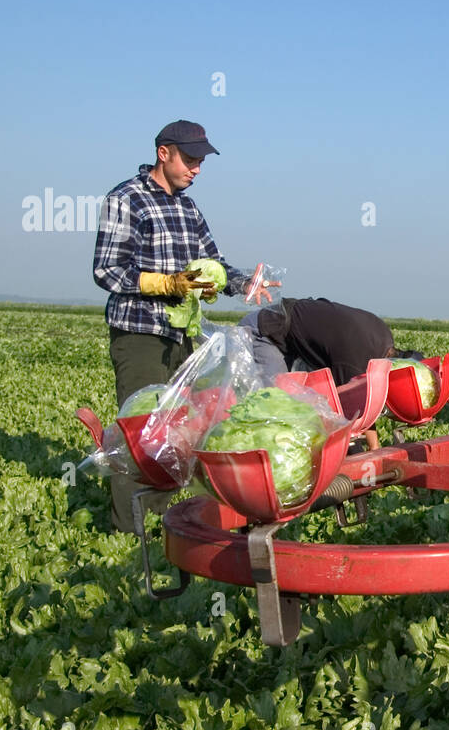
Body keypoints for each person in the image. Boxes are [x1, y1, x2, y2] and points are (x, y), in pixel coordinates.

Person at [93, 119, 273, 533]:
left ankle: (167, 527)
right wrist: (165, 283)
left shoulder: (188, 208)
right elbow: (107, 270)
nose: (196, 168)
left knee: (182, 430)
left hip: (182, 336)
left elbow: (214, 262)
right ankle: (129, 532)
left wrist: (245, 281)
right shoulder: (127, 199)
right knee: (143, 433)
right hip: (140, 334)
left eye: (200, 161)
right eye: (190, 159)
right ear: (164, 153)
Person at [240, 298, 412, 385]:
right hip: (266, 331)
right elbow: (349, 406)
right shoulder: (354, 361)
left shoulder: (384, 336)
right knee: (276, 403)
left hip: (292, 340)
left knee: (304, 398)